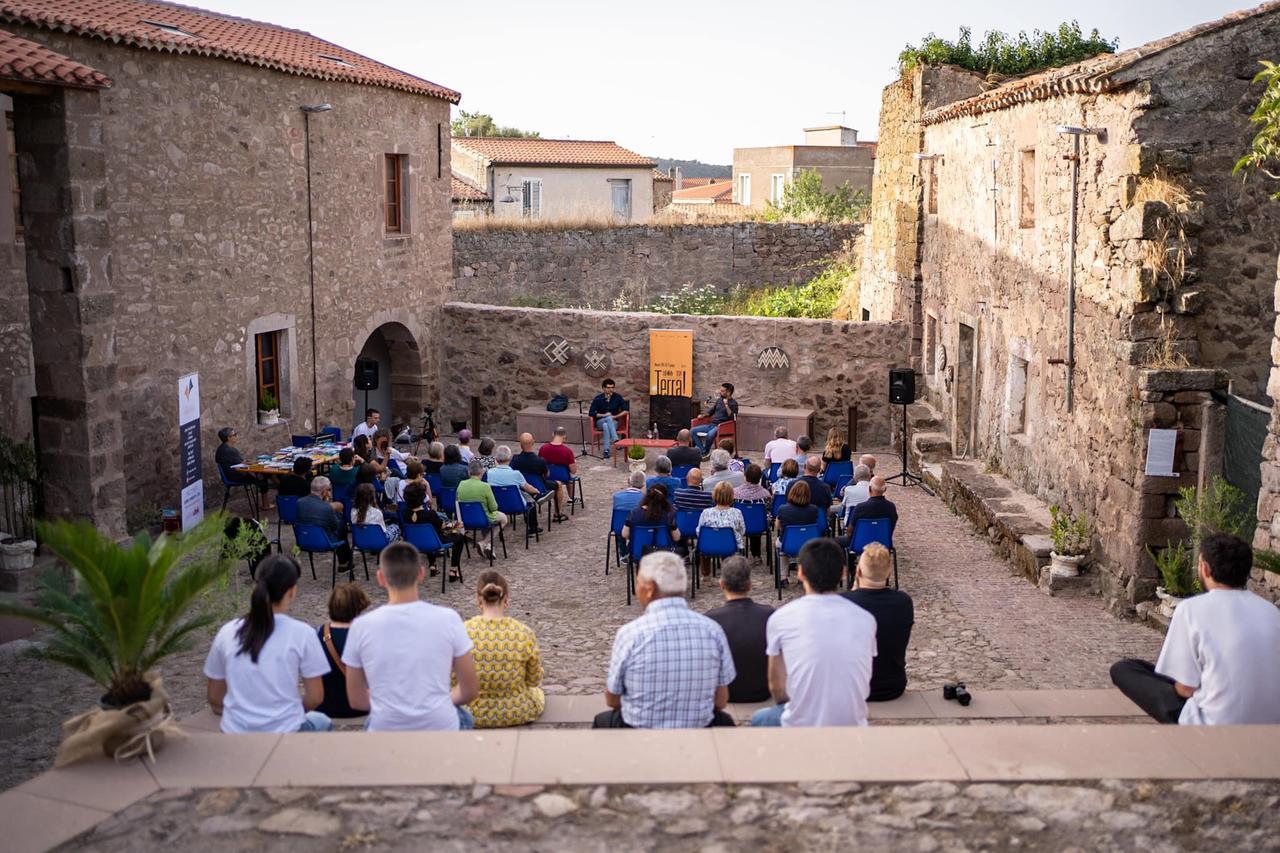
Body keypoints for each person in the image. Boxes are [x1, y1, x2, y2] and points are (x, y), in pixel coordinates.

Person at [1110, 533, 1280, 725]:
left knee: (1124, 669)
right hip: (1271, 722)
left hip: (1211, 723)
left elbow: (1185, 689)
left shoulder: (1190, 609)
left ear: (1205, 569)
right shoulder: (1271, 612)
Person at [342, 542, 479, 730]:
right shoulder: (448, 619)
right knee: (464, 717)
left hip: (386, 727)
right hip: (439, 725)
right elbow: (470, 689)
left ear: (381, 578)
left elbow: (356, 700)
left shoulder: (360, 627)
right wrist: (438, 703)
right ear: (421, 574)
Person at [595, 551, 735, 728]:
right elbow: (721, 700)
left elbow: (612, 699)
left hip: (640, 729)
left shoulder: (630, 634)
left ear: (649, 588)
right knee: (724, 721)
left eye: (638, 583)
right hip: (698, 729)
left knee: (603, 721)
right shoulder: (712, 630)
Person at [751, 538, 876, 727]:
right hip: (852, 723)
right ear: (843, 573)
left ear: (800, 573)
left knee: (760, 718)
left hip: (798, 724)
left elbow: (776, 686)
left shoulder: (782, 618)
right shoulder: (866, 619)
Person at [204, 555, 332, 733]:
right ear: (292, 591)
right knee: (323, 721)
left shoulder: (227, 632)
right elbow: (315, 697)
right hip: (286, 730)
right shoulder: (302, 633)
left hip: (236, 731)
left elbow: (215, 697)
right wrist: (290, 712)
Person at [464, 571, 546, 727]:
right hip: (517, 710)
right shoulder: (523, 632)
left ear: (479, 600)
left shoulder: (464, 632)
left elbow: (455, 680)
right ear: (506, 599)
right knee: (537, 693)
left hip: (474, 712)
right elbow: (533, 679)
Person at [843, 543, 913, 701]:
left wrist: (854, 590)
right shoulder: (904, 602)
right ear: (889, 573)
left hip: (853, 687)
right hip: (892, 685)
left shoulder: (843, 602)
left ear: (858, 572)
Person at [705, 556, 774, 703]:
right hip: (761, 692)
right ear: (750, 585)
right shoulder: (769, 615)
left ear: (722, 585)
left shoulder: (710, 620)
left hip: (727, 693)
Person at [315, 582, 371, 719]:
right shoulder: (363, 636)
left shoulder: (319, 634)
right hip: (358, 707)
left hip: (325, 706)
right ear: (358, 607)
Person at [402, 481, 464, 582]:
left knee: (426, 535)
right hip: (434, 542)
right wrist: (455, 525)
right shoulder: (430, 514)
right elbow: (441, 527)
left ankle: (433, 565)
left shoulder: (404, 513)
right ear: (423, 497)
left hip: (413, 543)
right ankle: (453, 570)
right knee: (459, 537)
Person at [297, 476, 353, 572]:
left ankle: (345, 561)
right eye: (329, 490)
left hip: (304, 538)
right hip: (323, 540)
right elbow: (335, 526)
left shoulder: (299, 502)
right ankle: (344, 561)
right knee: (340, 521)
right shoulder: (326, 508)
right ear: (324, 491)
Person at [486, 445, 544, 533]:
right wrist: (536, 491)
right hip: (516, 504)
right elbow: (528, 488)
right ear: (510, 458)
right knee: (531, 501)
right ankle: (533, 528)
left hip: (497, 505)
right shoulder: (516, 474)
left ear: (496, 459)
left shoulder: (489, 473)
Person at [457, 458, 508, 558]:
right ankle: (484, 542)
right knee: (503, 519)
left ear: (469, 472)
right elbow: (494, 508)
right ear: (482, 471)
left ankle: (489, 546)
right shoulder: (485, 486)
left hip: (466, 518)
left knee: (486, 519)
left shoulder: (461, 484)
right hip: (483, 518)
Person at [214, 426, 273, 510]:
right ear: (229, 438)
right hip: (236, 476)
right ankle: (266, 504)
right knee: (263, 477)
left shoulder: (220, 449)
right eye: (235, 434)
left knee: (264, 474)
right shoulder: (230, 451)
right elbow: (242, 465)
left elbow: (239, 462)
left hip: (230, 474)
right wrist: (255, 467)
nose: (236, 436)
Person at [697, 482, 746, 578]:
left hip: (709, 546)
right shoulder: (737, 512)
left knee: (703, 547)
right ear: (732, 496)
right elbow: (742, 530)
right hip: (730, 546)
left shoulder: (706, 512)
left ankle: (706, 575)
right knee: (729, 544)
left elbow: (699, 531)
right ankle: (728, 573)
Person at [512, 432, 565, 519]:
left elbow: (512, 473)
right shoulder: (540, 460)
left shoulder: (515, 459)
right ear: (533, 442)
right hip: (539, 486)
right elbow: (547, 475)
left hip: (521, 487)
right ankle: (558, 513)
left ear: (520, 444)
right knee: (558, 484)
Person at [622, 485, 681, 555]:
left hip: (639, 552)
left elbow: (625, 534)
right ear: (664, 499)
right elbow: (676, 538)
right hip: (663, 555)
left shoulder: (634, 513)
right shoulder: (669, 515)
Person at [538, 426, 578, 521]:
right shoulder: (567, 451)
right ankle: (571, 498)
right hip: (563, 477)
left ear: (553, 434)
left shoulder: (543, 448)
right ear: (564, 437)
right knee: (570, 478)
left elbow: (539, 465)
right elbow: (573, 470)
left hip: (547, 477)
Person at [734, 464, 772, 562]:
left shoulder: (735, 493)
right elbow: (768, 510)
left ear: (745, 476)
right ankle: (756, 555)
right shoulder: (766, 494)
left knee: (751, 518)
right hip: (759, 525)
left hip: (740, 523)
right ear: (759, 478)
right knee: (756, 519)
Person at [692, 383, 738, 455]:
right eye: (720, 390)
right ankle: (703, 451)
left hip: (722, 426)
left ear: (728, 392)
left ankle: (705, 452)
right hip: (712, 424)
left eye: (722, 391)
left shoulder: (733, 403)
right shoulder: (719, 400)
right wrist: (703, 416)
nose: (720, 392)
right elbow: (711, 411)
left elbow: (732, 417)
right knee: (693, 431)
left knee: (710, 435)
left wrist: (726, 405)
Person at [589, 378, 630, 459]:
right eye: (608, 388)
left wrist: (615, 417)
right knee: (607, 419)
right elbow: (591, 413)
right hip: (600, 422)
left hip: (614, 422)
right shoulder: (598, 398)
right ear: (603, 388)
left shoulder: (617, 397)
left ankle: (606, 450)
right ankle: (616, 440)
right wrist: (604, 415)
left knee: (606, 425)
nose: (611, 389)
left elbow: (626, 411)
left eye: (612, 387)